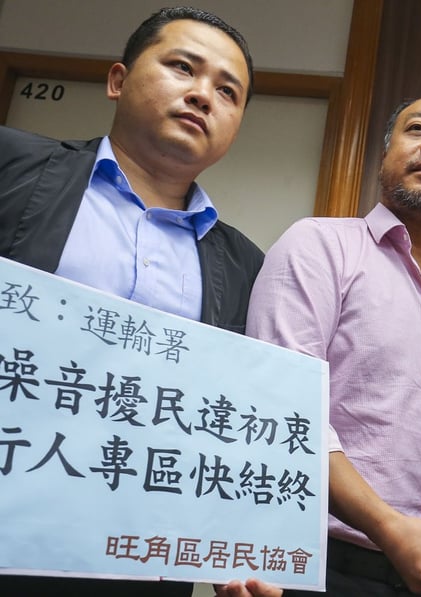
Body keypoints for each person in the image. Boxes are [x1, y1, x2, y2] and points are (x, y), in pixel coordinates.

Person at [0, 7, 277, 597]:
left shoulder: (247, 267)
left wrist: (231, 543)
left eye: (228, 92)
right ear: (118, 80)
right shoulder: (11, 167)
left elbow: (224, 421)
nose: (203, 95)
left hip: (140, 561)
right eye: (183, 68)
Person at [246, 95, 421, 596]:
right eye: (417, 129)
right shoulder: (318, 246)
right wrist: (387, 526)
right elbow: (281, 411)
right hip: (320, 562)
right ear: (384, 160)